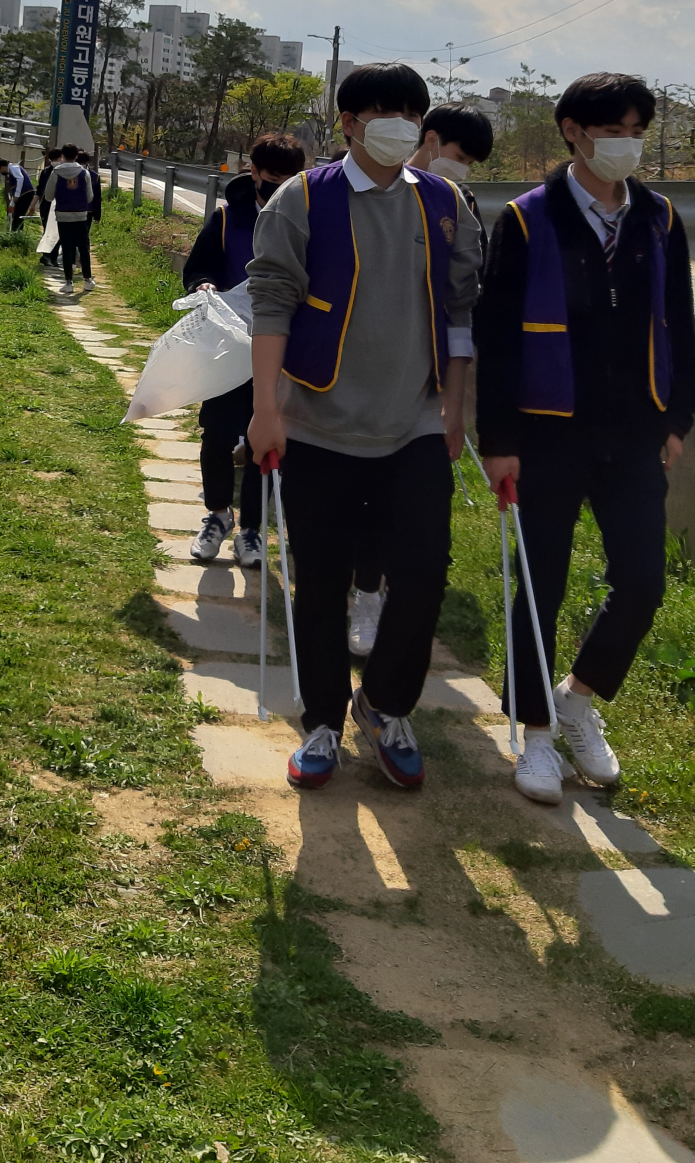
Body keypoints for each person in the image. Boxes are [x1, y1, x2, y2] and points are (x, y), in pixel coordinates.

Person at [247, 62, 482, 791]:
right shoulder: (303, 199)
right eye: (379, 111)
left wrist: (457, 406)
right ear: (346, 122)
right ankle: (321, 719)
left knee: (422, 575)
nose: (398, 124)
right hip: (316, 423)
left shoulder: (443, 203)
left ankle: (383, 704)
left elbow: (463, 307)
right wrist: (263, 410)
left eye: (410, 112)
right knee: (318, 580)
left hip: (412, 423)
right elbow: (272, 301)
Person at [475, 72, 695, 806]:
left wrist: (677, 419)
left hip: (634, 432)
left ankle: (579, 695)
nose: (625, 141)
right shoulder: (528, 218)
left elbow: (680, 325)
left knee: (641, 581)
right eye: (611, 128)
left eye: (636, 127)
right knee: (541, 581)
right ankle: (535, 732)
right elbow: (498, 337)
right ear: (572, 129)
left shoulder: (659, 219)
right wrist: (498, 439)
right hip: (545, 433)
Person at [349, 100, 495, 659]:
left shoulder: (461, 206)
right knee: (361, 497)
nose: (462, 170)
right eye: (459, 156)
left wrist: (458, 395)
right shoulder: (366, 189)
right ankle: (357, 586)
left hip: (431, 375)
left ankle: (376, 594)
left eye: (471, 164)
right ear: (428, 139)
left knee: (404, 500)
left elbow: (465, 295)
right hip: (361, 367)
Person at [183, 133, 307, 567]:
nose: (281, 187)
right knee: (217, 431)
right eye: (272, 178)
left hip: (280, 351)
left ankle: (252, 528)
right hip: (228, 344)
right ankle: (218, 516)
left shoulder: (308, 220)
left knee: (265, 436)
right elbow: (198, 266)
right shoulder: (226, 220)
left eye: (291, 179)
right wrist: (203, 285)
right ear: (251, 173)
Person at [50, 143, 96, 295]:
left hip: (63, 215)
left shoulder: (55, 172)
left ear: (62, 156)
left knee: (67, 247)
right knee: (83, 247)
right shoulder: (84, 173)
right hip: (81, 215)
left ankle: (68, 283)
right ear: (76, 156)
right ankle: (87, 280)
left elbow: (49, 195)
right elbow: (90, 196)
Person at [36, 147, 62, 265]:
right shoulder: (47, 172)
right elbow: (40, 189)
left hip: (52, 204)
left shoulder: (50, 171)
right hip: (49, 205)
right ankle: (47, 256)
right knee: (49, 231)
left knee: (58, 232)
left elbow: (39, 190)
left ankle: (53, 257)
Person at [0, 157, 34, 231]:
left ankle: (17, 233)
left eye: (0, 170)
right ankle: (15, 232)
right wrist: (11, 204)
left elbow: (20, 178)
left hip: (26, 193)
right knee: (17, 215)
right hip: (22, 194)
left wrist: (16, 195)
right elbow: (15, 188)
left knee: (19, 215)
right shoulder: (11, 171)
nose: (1, 172)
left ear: (2, 166)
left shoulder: (13, 167)